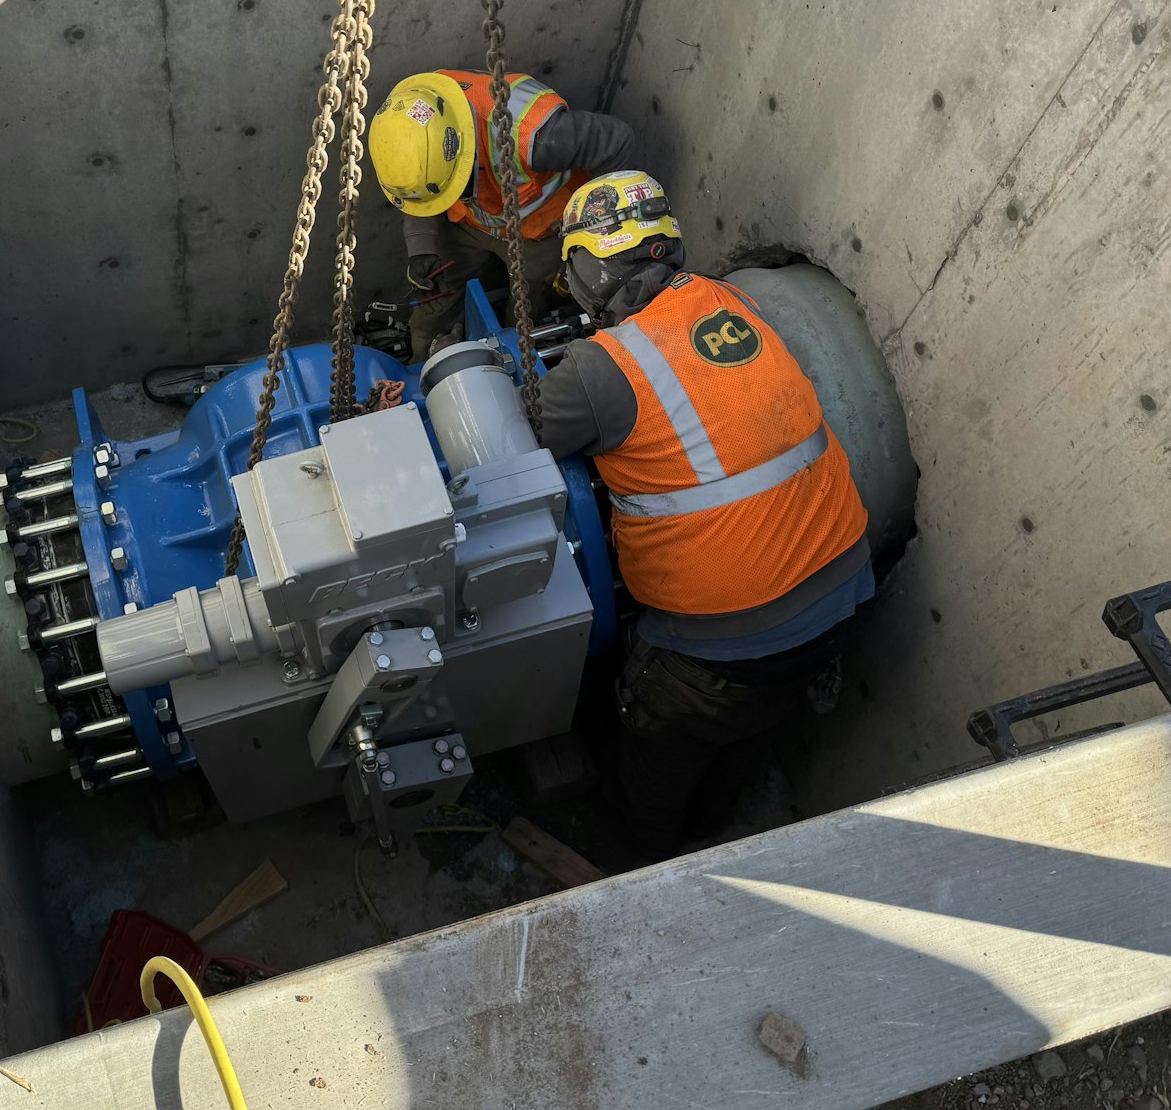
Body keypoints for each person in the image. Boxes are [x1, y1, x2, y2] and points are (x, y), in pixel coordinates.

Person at [536, 171, 872, 857]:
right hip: (845, 589)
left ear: (591, 268)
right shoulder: (729, 298)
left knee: (658, 754)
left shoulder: (603, 369)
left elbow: (531, 429)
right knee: (749, 725)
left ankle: (647, 859)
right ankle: (719, 814)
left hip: (723, 648)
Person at [367, 70, 635, 361]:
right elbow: (421, 195)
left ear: (464, 152)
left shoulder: (538, 136)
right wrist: (421, 247)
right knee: (432, 313)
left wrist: (596, 228)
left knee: (523, 319)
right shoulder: (413, 113)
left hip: (542, 233)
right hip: (470, 224)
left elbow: (618, 141)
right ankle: (422, 368)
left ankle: (511, 364)